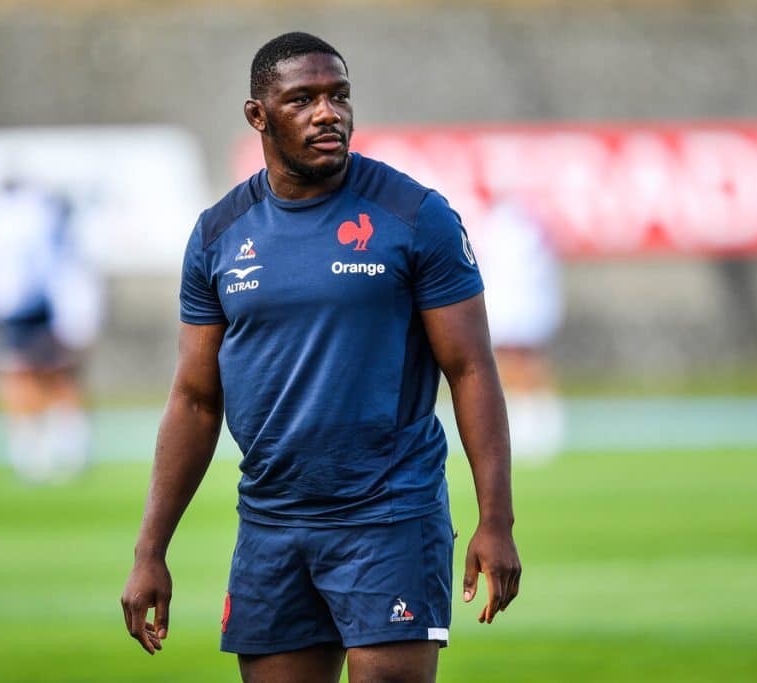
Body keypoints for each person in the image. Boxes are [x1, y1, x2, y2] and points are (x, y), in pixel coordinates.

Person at [120, 32, 521, 683]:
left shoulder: (414, 217)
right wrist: (150, 550)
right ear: (258, 115)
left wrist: (495, 519)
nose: (327, 112)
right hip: (272, 523)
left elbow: (472, 368)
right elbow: (194, 399)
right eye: (302, 99)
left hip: (389, 512)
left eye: (338, 96)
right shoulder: (219, 234)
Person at [0, 176, 100, 483]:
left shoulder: (34, 217)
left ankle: (66, 445)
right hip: (16, 305)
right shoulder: (0, 217)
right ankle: (34, 447)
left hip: (40, 303)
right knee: (20, 373)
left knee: (52, 373)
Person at [476, 193, 565, 462]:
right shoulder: (495, 227)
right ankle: (523, 418)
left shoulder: (519, 230)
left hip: (521, 304)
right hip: (511, 304)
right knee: (508, 361)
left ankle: (541, 419)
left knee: (525, 361)